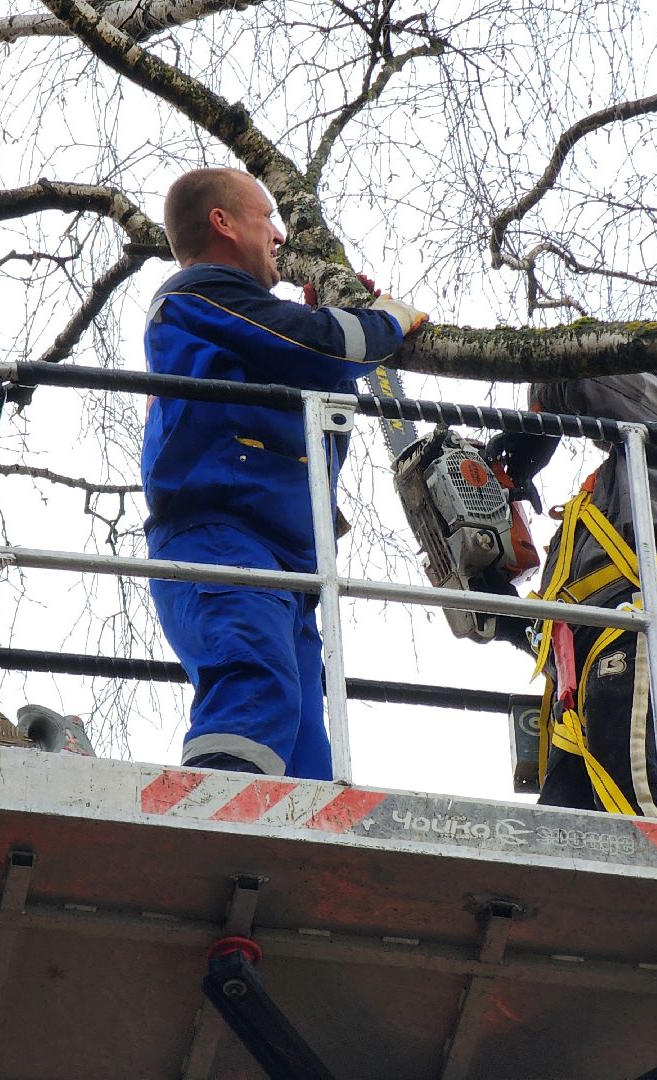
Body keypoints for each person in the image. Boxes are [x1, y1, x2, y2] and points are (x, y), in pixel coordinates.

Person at [140, 167, 427, 779]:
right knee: (255, 682)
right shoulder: (196, 295)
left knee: (302, 742)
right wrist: (385, 320)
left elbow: (316, 398)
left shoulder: (238, 327)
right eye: (267, 217)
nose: (278, 235)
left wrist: (330, 330)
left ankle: (293, 835)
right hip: (223, 538)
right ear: (223, 222)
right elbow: (321, 348)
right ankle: (216, 814)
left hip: (284, 564)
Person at [489, 373, 657, 816]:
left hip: (639, 641)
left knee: (637, 819)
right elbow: (567, 630)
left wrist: (541, 418)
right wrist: (496, 606)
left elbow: (591, 373)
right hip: (587, 677)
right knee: (558, 834)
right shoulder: (610, 494)